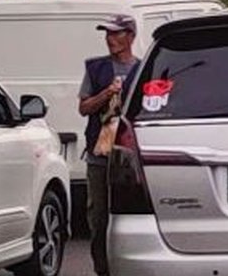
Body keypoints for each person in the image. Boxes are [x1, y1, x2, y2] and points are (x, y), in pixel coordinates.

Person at [78, 15, 141, 276]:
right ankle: (102, 270)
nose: (110, 39)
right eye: (107, 34)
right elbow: (84, 108)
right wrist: (106, 93)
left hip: (132, 156)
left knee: (134, 216)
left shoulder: (143, 68)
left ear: (130, 36)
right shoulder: (96, 69)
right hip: (100, 155)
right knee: (98, 217)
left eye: (116, 34)